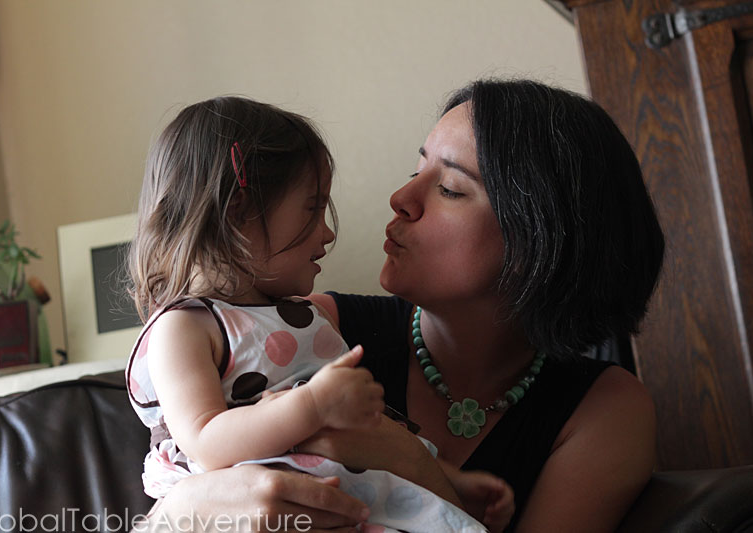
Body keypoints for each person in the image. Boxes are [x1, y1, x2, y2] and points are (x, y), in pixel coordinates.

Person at [140, 78, 666, 533]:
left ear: (542, 238)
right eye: (417, 171)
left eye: (451, 188)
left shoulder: (605, 410)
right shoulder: (305, 328)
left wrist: (413, 464)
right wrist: (184, 510)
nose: (401, 198)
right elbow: (182, 480)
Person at [125, 95, 514, 532]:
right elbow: (206, 442)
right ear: (239, 213)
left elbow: (376, 435)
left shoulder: (300, 315)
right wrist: (312, 404)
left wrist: (450, 481)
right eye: (312, 209)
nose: (327, 233)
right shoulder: (185, 327)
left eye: (451, 188)